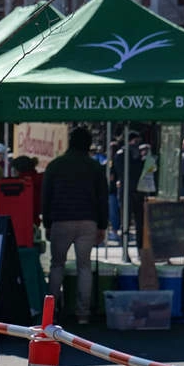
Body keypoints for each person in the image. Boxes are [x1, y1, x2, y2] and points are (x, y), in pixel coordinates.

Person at [42, 126, 108, 324]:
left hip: (61, 220)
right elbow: (102, 198)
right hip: (88, 220)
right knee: (84, 267)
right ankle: (83, 314)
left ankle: (51, 313)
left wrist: (47, 222)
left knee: (57, 265)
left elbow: (46, 197)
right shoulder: (95, 167)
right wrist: (102, 226)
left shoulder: (55, 165)